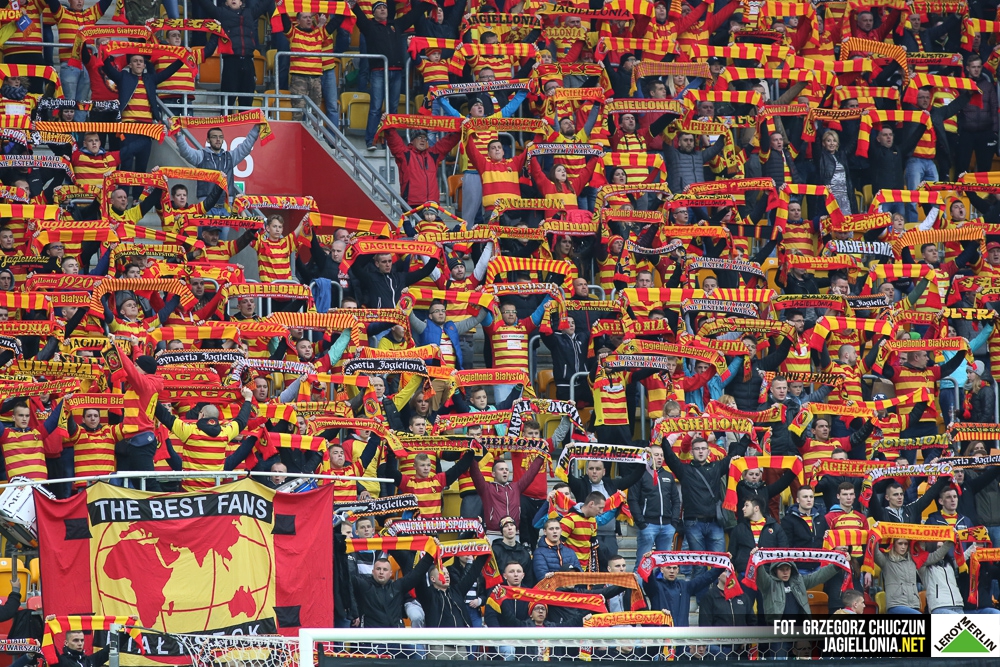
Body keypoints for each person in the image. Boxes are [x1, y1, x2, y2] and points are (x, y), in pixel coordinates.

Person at [174, 124, 263, 212]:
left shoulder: (230, 157)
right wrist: (178, 134)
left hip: (226, 206)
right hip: (206, 206)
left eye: (221, 137)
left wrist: (256, 128)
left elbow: (246, 147)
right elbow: (186, 151)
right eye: (214, 137)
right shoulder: (201, 155)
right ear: (208, 140)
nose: (218, 139)